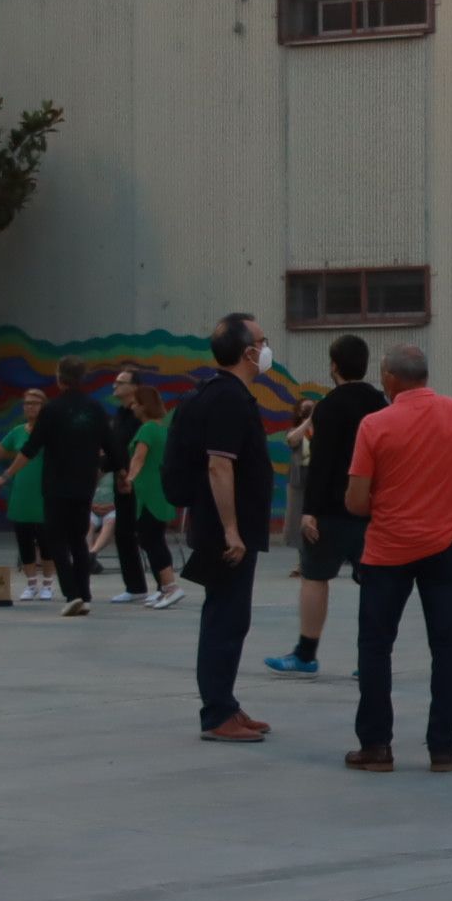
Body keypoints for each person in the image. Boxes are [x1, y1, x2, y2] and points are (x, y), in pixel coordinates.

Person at [339, 346, 452, 773]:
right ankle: (442, 747)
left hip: (387, 551)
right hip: (443, 546)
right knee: (447, 646)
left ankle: (376, 746)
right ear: (424, 375)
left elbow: (356, 500)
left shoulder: (374, 425)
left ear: (388, 379)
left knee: (376, 647)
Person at [173, 313, 280, 742]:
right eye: (261, 339)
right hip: (226, 532)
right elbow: (220, 465)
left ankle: (227, 704)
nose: (266, 347)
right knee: (225, 618)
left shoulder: (224, 393)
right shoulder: (227, 398)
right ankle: (217, 713)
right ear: (247, 351)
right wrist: (232, 530)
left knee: (232, 618)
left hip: (230, 526)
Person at [271, 335, 388, 675]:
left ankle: (306, 654)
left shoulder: (328, 406)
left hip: (331, 510)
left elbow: (320, 463)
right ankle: (371, 659)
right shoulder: (381, 403)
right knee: (375, 583)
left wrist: (310, 511)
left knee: (314, 577)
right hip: (372, 511)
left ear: (333, 365)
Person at [28, 364, 118, 616]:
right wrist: (116, 472)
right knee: (78, 540)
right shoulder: (94, 409)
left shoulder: (52, 410)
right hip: (83, 485)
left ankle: (72, 593)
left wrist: (5, 475)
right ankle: (85, 595)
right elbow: (113, 448)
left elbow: (31, 447)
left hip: (56, 485)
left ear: (60, 379)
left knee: (56, 540)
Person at [119, 379, 183, 609]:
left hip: (151, 494)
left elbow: (139, 457)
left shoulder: (147, 429)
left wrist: (130, 478)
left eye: (136, 403)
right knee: (152, 538)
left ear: (144, 405)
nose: (132, 407)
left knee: (150, 538)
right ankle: (161, 588)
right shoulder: (162, 429)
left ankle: (170, 586)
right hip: (159, 491)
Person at [0, 385, 53, 603]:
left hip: (44, 493)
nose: (29, 407)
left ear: (43, 407)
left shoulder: (50, 432)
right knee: (24, 539)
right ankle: (31, 584)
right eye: (26, 403)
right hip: (21, 494)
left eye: (34, 403)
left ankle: (48, 584)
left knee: (46, 541)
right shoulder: (17, 432)